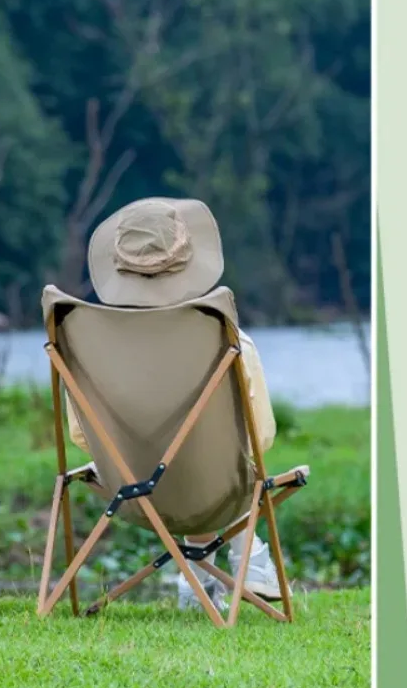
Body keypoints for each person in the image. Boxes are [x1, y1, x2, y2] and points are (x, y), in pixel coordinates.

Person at [66, 197, 282, 612]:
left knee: (197, 474)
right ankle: (247, 558)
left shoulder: (83, 348)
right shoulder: (231, 342)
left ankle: (197, 585)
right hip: (217, 489)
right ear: (189, 261)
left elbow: (81, 435)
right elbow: (260, 438)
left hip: (126, 489)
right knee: (226, 472)